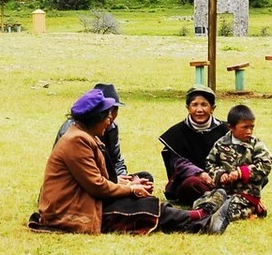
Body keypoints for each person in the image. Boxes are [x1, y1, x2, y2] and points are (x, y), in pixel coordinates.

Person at [31, 88, 232, 235]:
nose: (110, 121)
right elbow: (97, 186)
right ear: (95, 119)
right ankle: (202, 220)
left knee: (139, 198)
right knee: (140, 207)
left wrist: (128, 183)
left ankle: (201, 215)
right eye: (107, 116)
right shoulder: (77, 140)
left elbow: (99, 178)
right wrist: (131, 189)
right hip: (70, 210)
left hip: (85, 199)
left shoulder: (84, 136)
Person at [54, 82, 153, 187]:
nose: (111, 116)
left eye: (115, 110)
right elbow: (90, 180)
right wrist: (123, 186)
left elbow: (117, 160)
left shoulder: (111, 127)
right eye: (108, 111)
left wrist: (125, 180)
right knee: (143, 202)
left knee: (145, 178)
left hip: (103, 179)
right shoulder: (75, 137)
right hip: (80, 186)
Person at [158, 85, 230, 205]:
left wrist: (222, 175)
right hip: (195, 181)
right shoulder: (177, 133)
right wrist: (201, 174)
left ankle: (221, 197)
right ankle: (223, 199)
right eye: (195, 104)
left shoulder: (226, 130)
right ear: (188, 108)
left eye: (204, 104)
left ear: (213, 108)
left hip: (222, 178)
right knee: (191, 184)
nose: (199, 110)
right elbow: (179, 164)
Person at [206, 103, 272, 220]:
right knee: (203, 203)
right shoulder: (221, 144)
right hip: (224, 190)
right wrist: (221, 174)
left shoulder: (256, 145)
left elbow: (266, 164)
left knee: (231, 210)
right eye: (245, 127)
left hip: (247, 193)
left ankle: (254, 208)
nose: (249, 131)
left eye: (251, 127)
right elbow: (210, 163)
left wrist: (241, 173)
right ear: (231, 127)